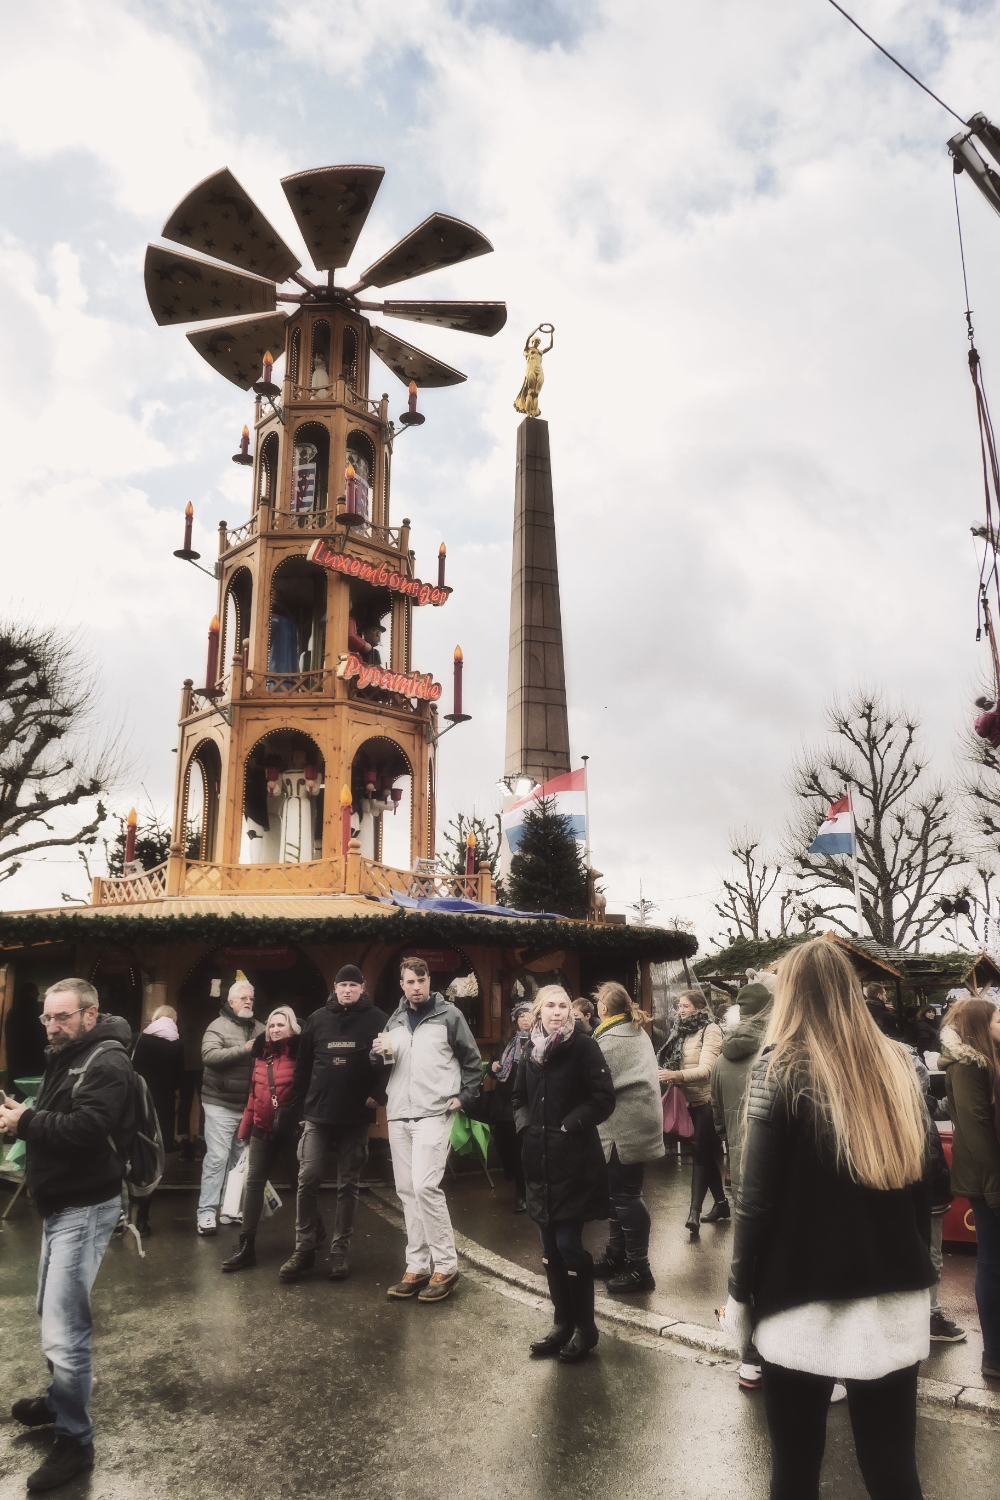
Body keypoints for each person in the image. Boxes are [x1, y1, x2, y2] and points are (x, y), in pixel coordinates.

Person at [723, 939, 936, 1500]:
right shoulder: (900, 1064)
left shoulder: (779, 1067)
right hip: (894, 1295)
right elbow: (929, 1188)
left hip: (799, 1299)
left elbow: (754, 1202)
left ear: (790, 994)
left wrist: (739, 1294)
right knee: (893, 1470)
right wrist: (921, 1267)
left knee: (794, 1472)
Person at [0, 979, 136, 1492]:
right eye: (47, 1017)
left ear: (89, 1015)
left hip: (85, 1206)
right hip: (62, 1205)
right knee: (49, 1311)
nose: (52, 1027)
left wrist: (26, 1122)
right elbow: (58, 1117)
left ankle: (76, 1440)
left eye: (62, 1017)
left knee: (65, 1329)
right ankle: (60, 1400)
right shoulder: (68, 1053)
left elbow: (85, 1130)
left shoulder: (107, 1060)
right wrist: (21, 1116)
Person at [513, 984, 615, 1361]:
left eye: (563, 1006)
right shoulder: (529, 1048)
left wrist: (569, 1125)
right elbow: (517, 1097)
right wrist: (526, 1127)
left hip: (573, 1162)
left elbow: (603, 1098)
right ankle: (561, 1324)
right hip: (538, 1162)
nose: (557, 1011)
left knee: (569, 1246)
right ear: (539, 1011)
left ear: (571, 1011)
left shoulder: (584, 1046)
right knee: (549, 1249)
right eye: (550, 1005)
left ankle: (585, 1329)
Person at [372, 956, 482, 1303]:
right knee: (407, 1190)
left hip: (435, 1112)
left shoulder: (450, 1015)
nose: (416, 987)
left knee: (424, 1187)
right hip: (399, 1113)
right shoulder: (395, 1018)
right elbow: (389, 1063)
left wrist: (465, 1096)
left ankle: (446, 1266)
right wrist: (378, 1054)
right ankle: (418, 1266)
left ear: (429, 981)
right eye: (410, 981)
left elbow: (472, 1061)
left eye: (421, 980)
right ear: (401, 984)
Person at [280, 965, 388, 1283]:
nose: (348, 990)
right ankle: (304, 1248)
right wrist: (298, 1107)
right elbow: (302, 1067)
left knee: (348, 1185)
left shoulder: (378, 1019)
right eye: (343, 985)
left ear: (362, 987)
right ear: (335, 987)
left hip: (355, 1116)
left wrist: (379, 1093)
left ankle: (339, 1251)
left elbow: (389, 1061)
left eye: (354, 985)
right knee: (307, 1178)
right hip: (317, 1115)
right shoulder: (317, 1019)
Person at [710, 976, 774, 1390]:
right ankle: (778, 1355)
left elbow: (717, 1120)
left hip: (739, 1170)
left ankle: (749, 1359)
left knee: (745, 1259)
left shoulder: (721, 1061)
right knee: (778, 1262)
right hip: (774, 1174)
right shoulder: (777, 1056)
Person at [939, 998, 1000, 1380]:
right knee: (992, 1263)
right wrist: (995, 1188)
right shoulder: (967, 1065)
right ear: (980, 1025)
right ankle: (994, 1353)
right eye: (997, 1018)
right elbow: (976, 1130)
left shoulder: (986, 1059)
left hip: (991, 1175)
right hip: (987, 1179)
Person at [591, 981, 664, 1293]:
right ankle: (616, 1256)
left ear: (603, 1008)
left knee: (625, 1196)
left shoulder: (609, 1040)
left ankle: (639, 1268)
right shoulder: (633, 1030)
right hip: (635, 1123)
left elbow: (591, 1083)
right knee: (618, 1195)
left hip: (624, 1128)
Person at [223, 1006, 302, 1273]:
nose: (275, 1029)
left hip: (291, 1132)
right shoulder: (261, 1055)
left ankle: (313, 1232)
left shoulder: (301, 1054)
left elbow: (309, 1092)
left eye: (281, 1025)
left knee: (300, 1184)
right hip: (261, 1129)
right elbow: (254, 1096)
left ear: (292, 1028)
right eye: (272, 1025)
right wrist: (245, 1131)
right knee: (253, 1183)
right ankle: (246, 1246)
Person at [197, 980, 264, 1237]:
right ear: (231, 1001)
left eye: (251, 998)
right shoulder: (217, 1026)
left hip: (248, 1106)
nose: (248, 1002)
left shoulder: (260, 1028)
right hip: (220, 1103)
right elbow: (209, 1057)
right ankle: (206, 1213)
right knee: (217, 1158)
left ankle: (230, 1209)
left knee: (240, 1161)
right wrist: (243, 1049)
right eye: (243, 998)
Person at [657, 989, 726, 1234]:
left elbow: (708, 1069)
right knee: (705, 1155)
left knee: (700, 1153)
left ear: (699, 1007)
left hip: (706, 1100)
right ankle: (721, 1204)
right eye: (679, 1006)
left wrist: (676, 1075)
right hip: (686, 1101)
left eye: (685, 1006)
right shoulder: (680, 1030)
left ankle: (693, 1213)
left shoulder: (711, 1030)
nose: (681, 1010)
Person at [130, 1005, 184, 1237]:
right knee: (151, 1160)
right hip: (161, 1109)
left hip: (136, 1105)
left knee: (127, 1155)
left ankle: (122, 1213)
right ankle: (143, 1218)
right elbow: (178, 1079)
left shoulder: (140, 1038)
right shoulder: (177, 1044)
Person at [490, 1001, 532, 1213]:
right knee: (502, 1143)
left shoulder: (540, 1040)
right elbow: (494, 1066)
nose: (525, 1019)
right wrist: (493, 1066)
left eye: (529, 1015)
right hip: (504, 1101)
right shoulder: (507, 1041)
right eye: (521, 1016)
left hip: (525, 1102)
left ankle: (522, 1194)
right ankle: (513, 1175)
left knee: (520, 1148)